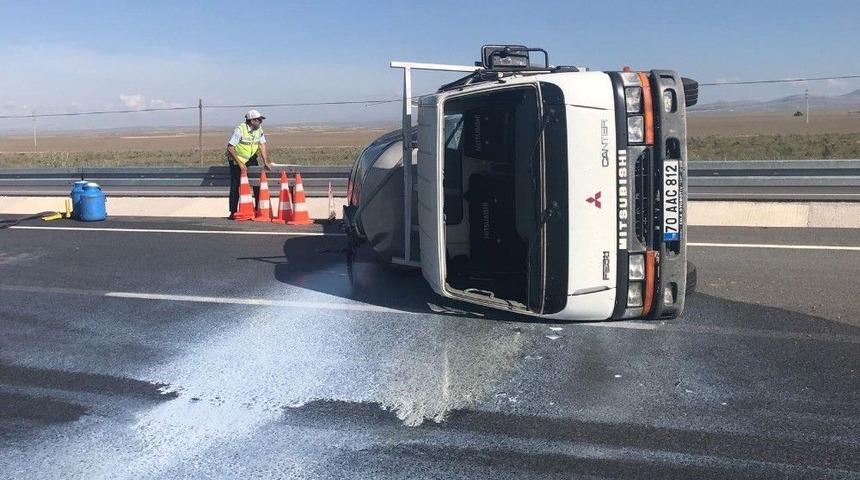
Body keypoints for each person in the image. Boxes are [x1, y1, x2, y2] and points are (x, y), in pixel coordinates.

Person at [226, 109, 272, 215]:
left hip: (251, 158)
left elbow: (262, 145)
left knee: (256, 182)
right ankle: (233, 211)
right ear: (252, 121)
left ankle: (258, 209)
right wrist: (240, 164)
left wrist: (265, 161)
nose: (261, 122)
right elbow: (230, 147)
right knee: (236, 185)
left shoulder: (259, 130)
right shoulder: (240, 130)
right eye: (259, 120)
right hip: (237, 159)